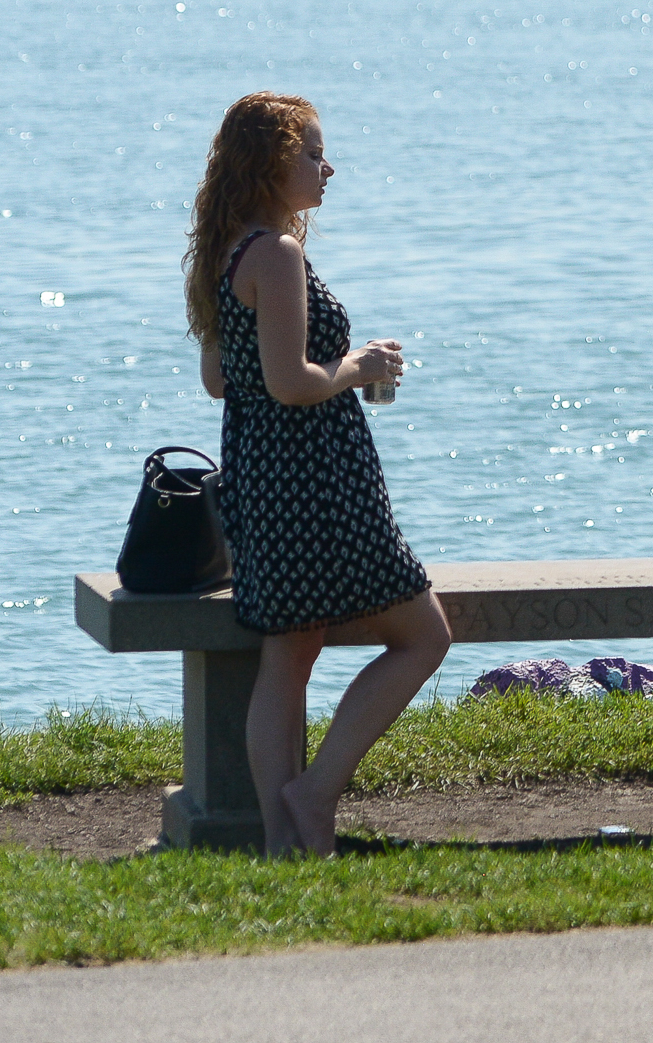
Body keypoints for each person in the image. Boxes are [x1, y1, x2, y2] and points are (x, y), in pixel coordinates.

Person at [187, 91, 449, 857]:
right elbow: (290, 383)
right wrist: (358, 365)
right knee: (424, 636)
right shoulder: (278, 252)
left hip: (262, 479)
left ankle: (286, 838)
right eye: (311, 153)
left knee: (289, 653)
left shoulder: (229, 249)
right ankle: (315, 791)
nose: (327, 168)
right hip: (317, 482)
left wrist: (326, 369)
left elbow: (219, 379)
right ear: (270, 162)